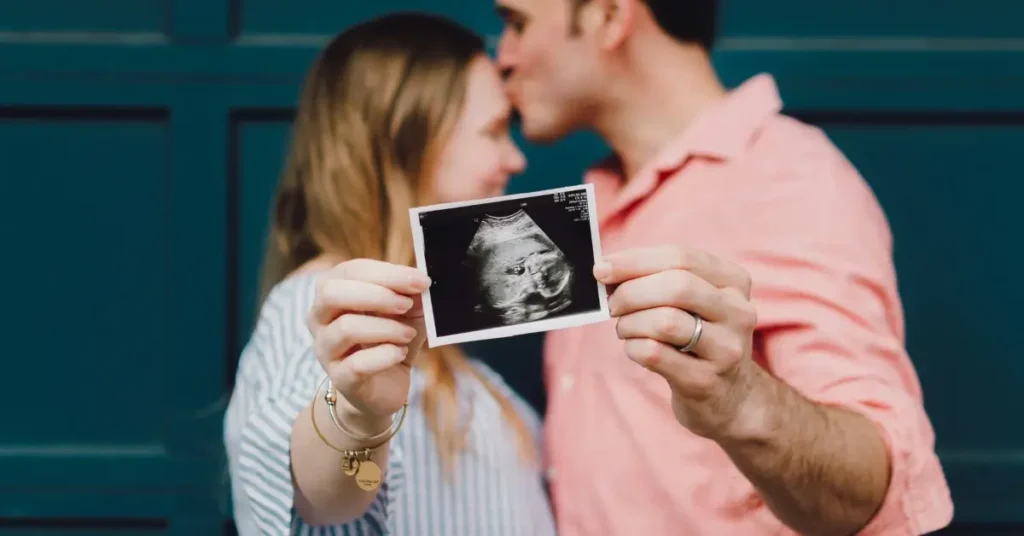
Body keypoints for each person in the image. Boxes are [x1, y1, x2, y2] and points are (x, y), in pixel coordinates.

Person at [493, 0, 955, 535]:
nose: (502, 56)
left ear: (609, 16)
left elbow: (877, 489)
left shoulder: (788, 180)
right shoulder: (592, 201)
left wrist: (738, 401)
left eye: (517, 23)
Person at [223, 12, 556, 536]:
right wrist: (358, 417)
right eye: (493, 131)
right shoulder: (321, 312)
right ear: (407, 141)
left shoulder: (433, 338)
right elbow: (321, 499)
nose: (514, 159)